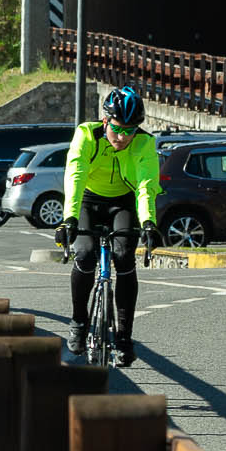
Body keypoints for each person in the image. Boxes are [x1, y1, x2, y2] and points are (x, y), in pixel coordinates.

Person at [57, 84, 162, 366]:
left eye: (131, 130)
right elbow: (75, 176)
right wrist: (69, 218)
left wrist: (149, 222)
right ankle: (79, 322)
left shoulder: (144, 143)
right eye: (118, 129)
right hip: (88, 201)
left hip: (123, 201)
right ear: (105, 121)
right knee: (85, 253)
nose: (123, 137)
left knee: (125, 257)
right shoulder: (86, 135)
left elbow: (145, 186)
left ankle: (124, 338)